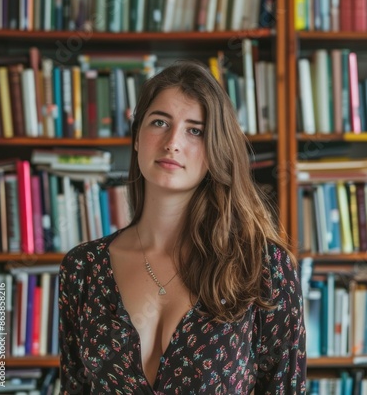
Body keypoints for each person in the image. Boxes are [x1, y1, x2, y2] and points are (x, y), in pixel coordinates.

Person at [59, 60, 306, 394]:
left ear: (216, 148)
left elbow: (285, 387)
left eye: (195, 130)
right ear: (136, 138)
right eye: (159, 122)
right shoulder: (82, 269)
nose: (172, 142)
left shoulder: (262, 267)